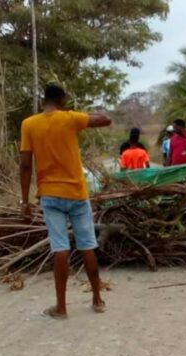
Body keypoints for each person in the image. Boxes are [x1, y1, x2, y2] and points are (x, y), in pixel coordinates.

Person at [20, 84, 110, 319]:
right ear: (62, 100)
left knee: (60, 248)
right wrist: (71, 113)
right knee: (87, 245)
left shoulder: (29, 124)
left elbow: (25, 165)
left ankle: (61, 307)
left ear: (43, 100)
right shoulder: (71, 118)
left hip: (50, 194)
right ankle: (97, 300)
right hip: (77, 194)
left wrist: (24, 201)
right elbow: (105, 119)